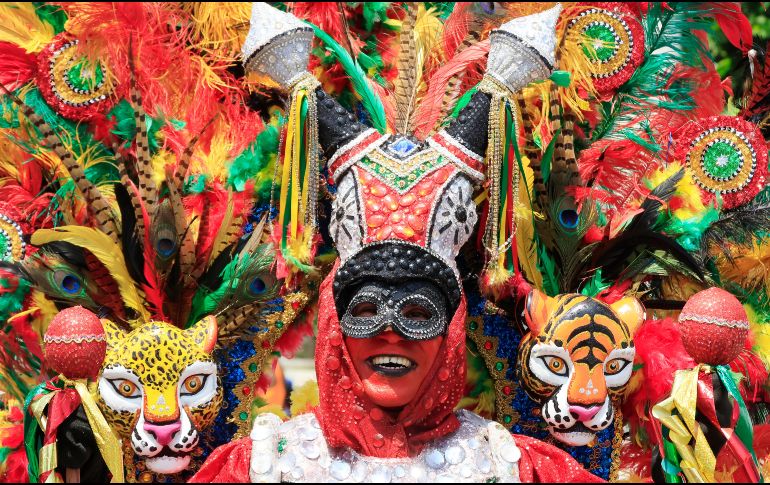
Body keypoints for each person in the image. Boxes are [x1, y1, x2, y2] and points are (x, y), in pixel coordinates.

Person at [190, 3, 604, 481]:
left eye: (417, 312)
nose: (392, 332)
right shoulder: (257, 468)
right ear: (334, 317)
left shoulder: (522, 469)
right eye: (366, 310)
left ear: (450, 325)